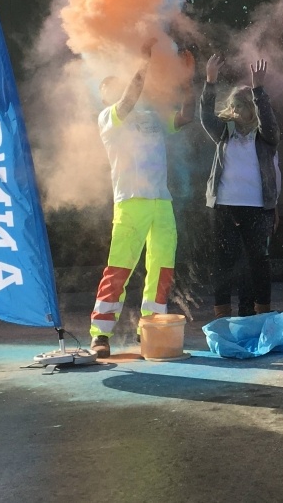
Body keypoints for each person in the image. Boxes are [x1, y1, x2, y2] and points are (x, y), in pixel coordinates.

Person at [90, 39, 195, 359]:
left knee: (162, 269)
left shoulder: (151, 115)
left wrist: (189, 83)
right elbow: (130, 96)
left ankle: (150, 328)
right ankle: (101, 334)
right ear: (105, 96)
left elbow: (185, 117)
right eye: (109, 87)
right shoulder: (110, 117)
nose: (117, 89)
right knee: (118, 270)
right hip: (130, 201)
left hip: (161, 202)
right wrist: (145, 63)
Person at [200, 55, 279, 319]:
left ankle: (257, 312)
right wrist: (210, 82)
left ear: (252, 108)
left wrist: (259, 90)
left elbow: (268, 123)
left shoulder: (266, 136)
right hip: (224, 206)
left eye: (241, 105)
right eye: (234, 104)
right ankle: (222, 314)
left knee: (257, 262)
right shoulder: (225, 133)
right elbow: (205, 117)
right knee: (224, 261)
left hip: (257, 208)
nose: (235, 109)